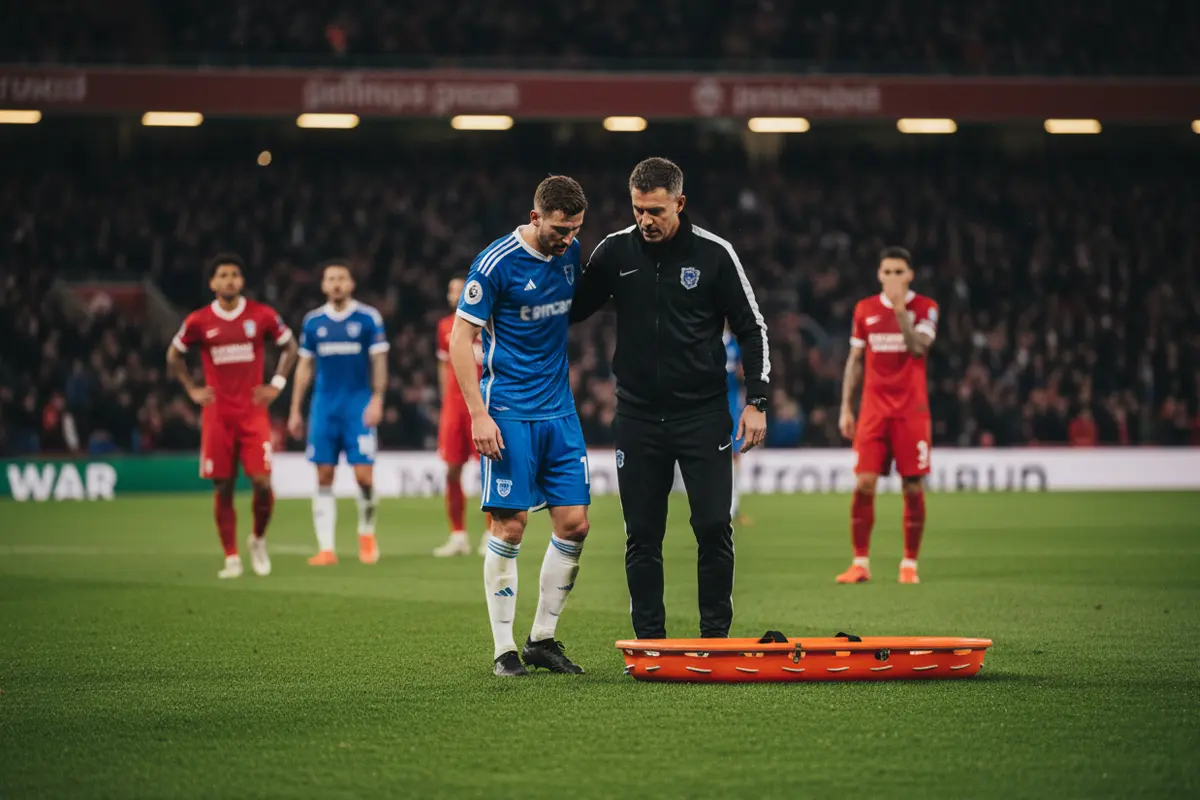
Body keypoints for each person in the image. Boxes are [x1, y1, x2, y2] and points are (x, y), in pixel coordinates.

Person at [571, 157, 769, 641]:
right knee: (641, 534)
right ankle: (650, 642)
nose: (646, 220)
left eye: (656, 210)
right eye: (638, 209)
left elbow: (752, 326)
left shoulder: (715, 254)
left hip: (703, 414)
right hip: (637, 415)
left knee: (712, 527)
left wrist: (757, 400)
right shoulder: (614, 252)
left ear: (680, 203)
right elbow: (571, 307)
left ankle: (714, 639)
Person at [449, 176, 593, 677]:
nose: (568, 239)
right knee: (510, 525)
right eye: (559, 229)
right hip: (507, 409)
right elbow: (459, 339)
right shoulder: (494, 264)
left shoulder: (571, 254)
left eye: (575, 229)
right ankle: (503, 648)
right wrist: (478, 413)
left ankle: (542, 639)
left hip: (560, 411)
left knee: (575, 524)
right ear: (536, 219)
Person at [167, 253, 299, 579]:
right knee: (223, 486)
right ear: (212, 283)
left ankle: (258, 539)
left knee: (262, 483)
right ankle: (231, 557)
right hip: (218, 415)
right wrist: (192, 389)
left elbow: (290, 346)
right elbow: (174, 355)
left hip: (253, 413)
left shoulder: (262, 315)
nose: (229, 280)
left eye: (235, 274)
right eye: (222, 275)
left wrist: (278, 384)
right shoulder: (199, 321)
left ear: (242, 281)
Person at [837, 246, 938, 585]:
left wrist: (899, 311)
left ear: (910, 275)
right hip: (874, 411)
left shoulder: (925, 308)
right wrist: (846, 407)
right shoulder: (864, 309)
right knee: (865, 481)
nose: (893, 278)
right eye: (887, 272)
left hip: (912, 412)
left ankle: (909, 565)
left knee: (912, 486)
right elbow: (855, 360)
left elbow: (918, 347)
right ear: (878, 275)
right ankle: (860, 563)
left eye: (899, 272)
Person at [287, 260, 389, 566]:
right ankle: (326, 548)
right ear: (323, 285)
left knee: (364, 476)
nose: (336, 284)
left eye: (341, 278)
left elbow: (379, 362)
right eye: (330, 279)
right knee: (324, 475)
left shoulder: (368, 318)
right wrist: (294, 409)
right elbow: (304, 368)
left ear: (351, 284)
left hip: (358, 407)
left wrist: (378, 399)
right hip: (323, 408)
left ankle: (367, 534)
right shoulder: (313, 322)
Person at [432, 277, 492, 557]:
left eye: (459, 289)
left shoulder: (491, 321)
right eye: (451, 290)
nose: (455, 294)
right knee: (452, 469)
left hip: (486, 405)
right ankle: (458, 535)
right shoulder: (444, 326)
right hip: (455, 408)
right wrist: (446, 406)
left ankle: (492, 532)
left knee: (489, 470)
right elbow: (444, 368)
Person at [723, 324, 752, 524]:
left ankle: (733, 507)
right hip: (708, 403)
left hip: (732, 403)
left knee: (734, 455)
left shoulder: (734, 344)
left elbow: (744, 372)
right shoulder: (703, 339)